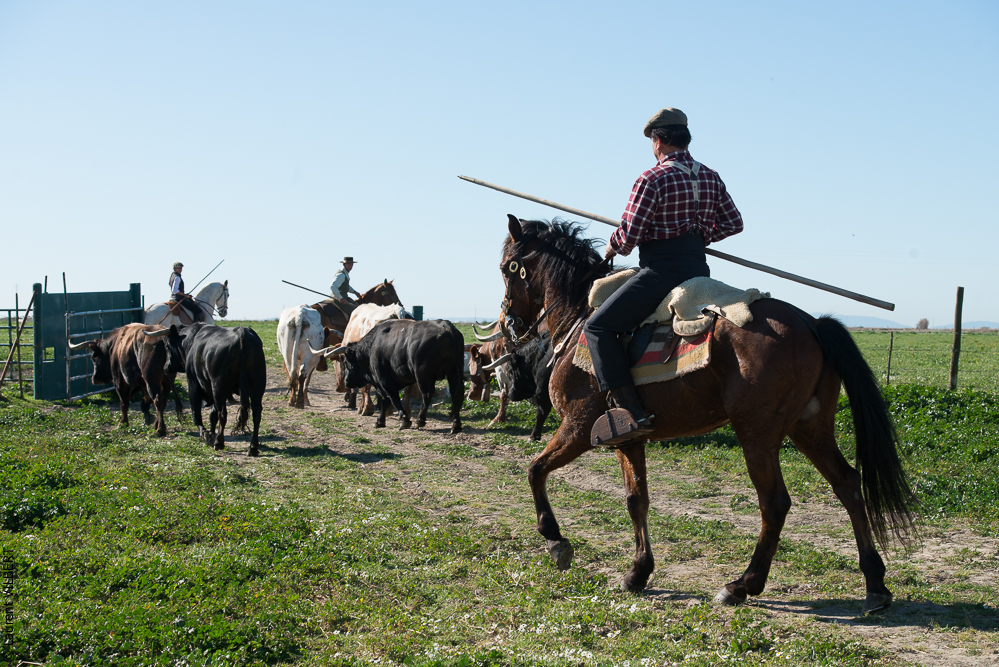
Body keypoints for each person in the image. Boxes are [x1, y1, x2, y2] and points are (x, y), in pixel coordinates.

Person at [584, 108, 744, 447]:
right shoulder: (710, 176)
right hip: (698, 271)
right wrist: (700, 234)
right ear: (683, 138)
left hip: (661, 272)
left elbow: (629, 235)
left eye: (652, 142)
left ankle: (630, 412)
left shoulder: (651, 178)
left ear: (658, 141)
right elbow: (734, 223)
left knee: (597, 326)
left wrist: (611, 247)